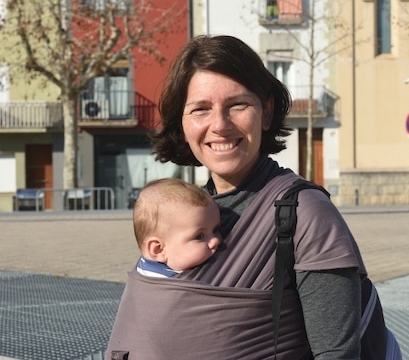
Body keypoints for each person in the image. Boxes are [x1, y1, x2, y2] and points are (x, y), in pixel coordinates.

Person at [107, 35, 368, 360]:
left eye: (237, 105)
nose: (220, 124)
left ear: (267, 111)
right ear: (183, 123)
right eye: (201, 109)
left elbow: (337, 354)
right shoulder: (183, 213)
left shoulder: (305, 214)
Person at [132, 177, 222, 278]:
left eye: (216, 229)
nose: (215, 240)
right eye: (199, 236)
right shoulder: (172, 284)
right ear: (159, 249)